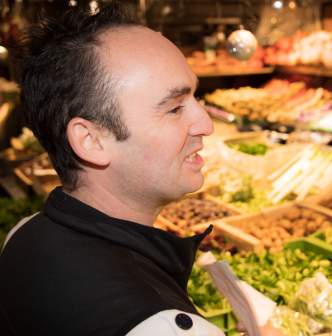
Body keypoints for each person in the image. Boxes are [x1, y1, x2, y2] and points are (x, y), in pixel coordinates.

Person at [0, 4, 281, 336]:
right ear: (91, 140)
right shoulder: (157, 326)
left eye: (196, 97)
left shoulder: (23, 234)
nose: (205, 124)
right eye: (175, 107)